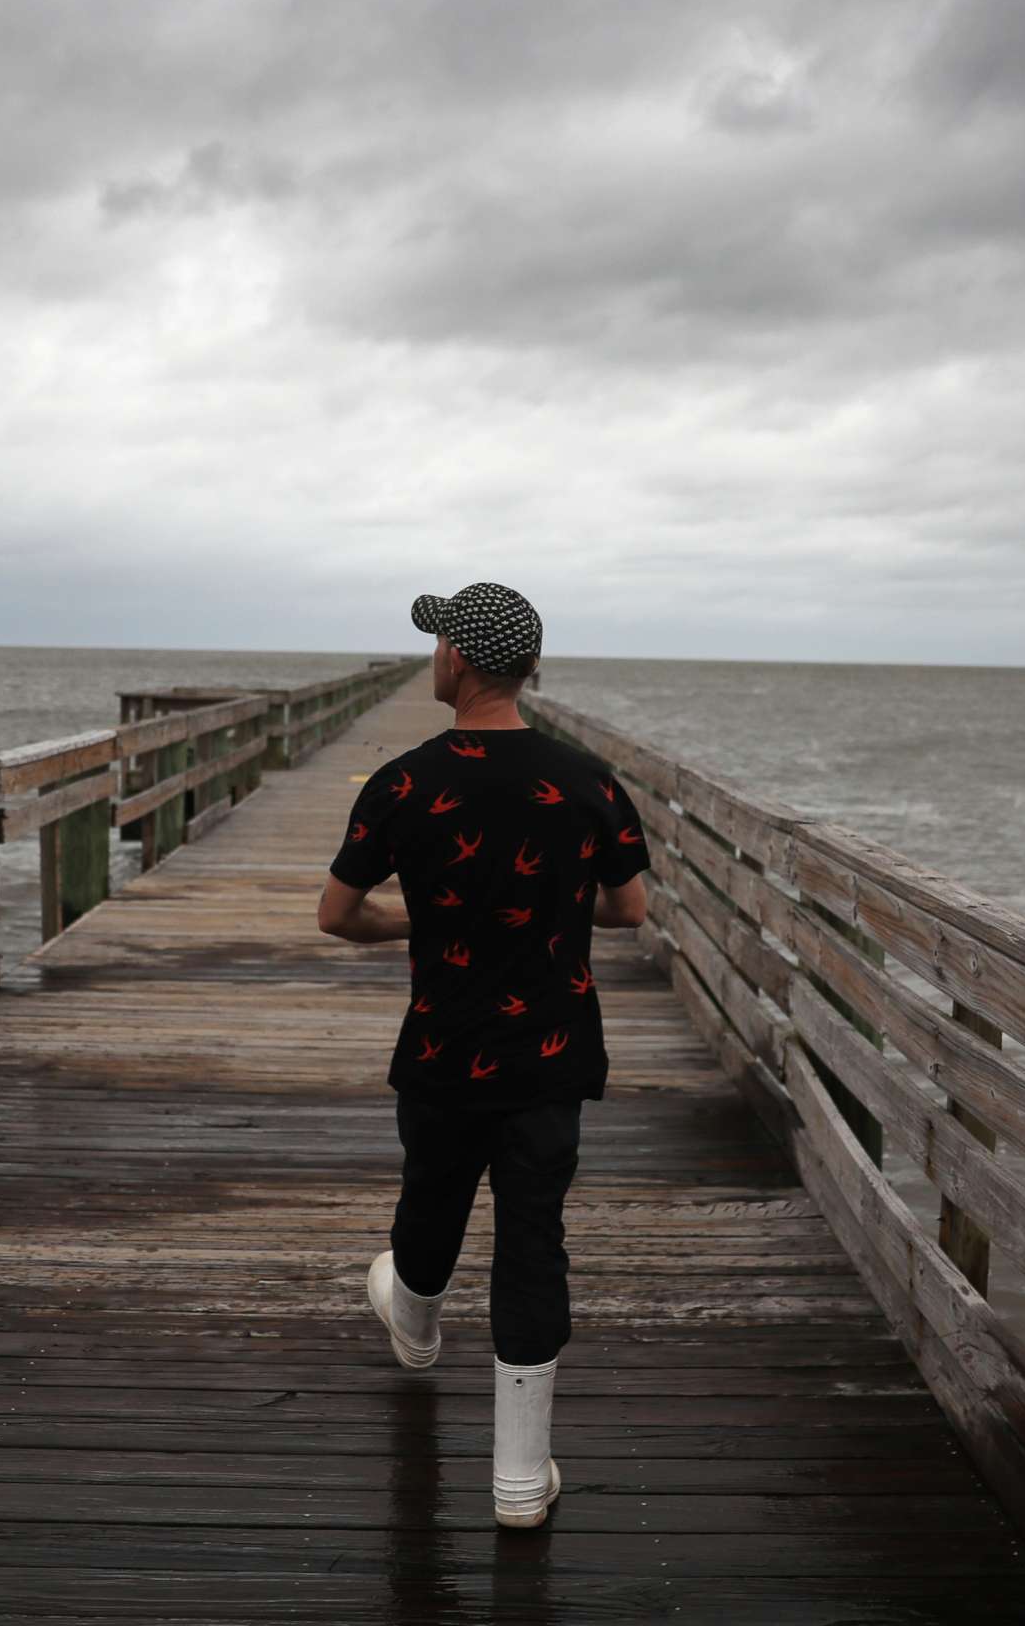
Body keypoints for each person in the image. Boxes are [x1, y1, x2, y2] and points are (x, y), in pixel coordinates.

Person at [315, 582, 651, 1530]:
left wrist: (423, 925)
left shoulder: (405, 783)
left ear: (456, 661)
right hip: (550, 1057)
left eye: (436, 647)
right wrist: (542, 917)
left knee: (431, 1198)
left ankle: (416, 1327)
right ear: (527, 670)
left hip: (442, 1045)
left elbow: (337, 915)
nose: (432, 660)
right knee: (532, 1237)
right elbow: (630, 910)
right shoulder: (589, 781)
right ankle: (516, 1480)